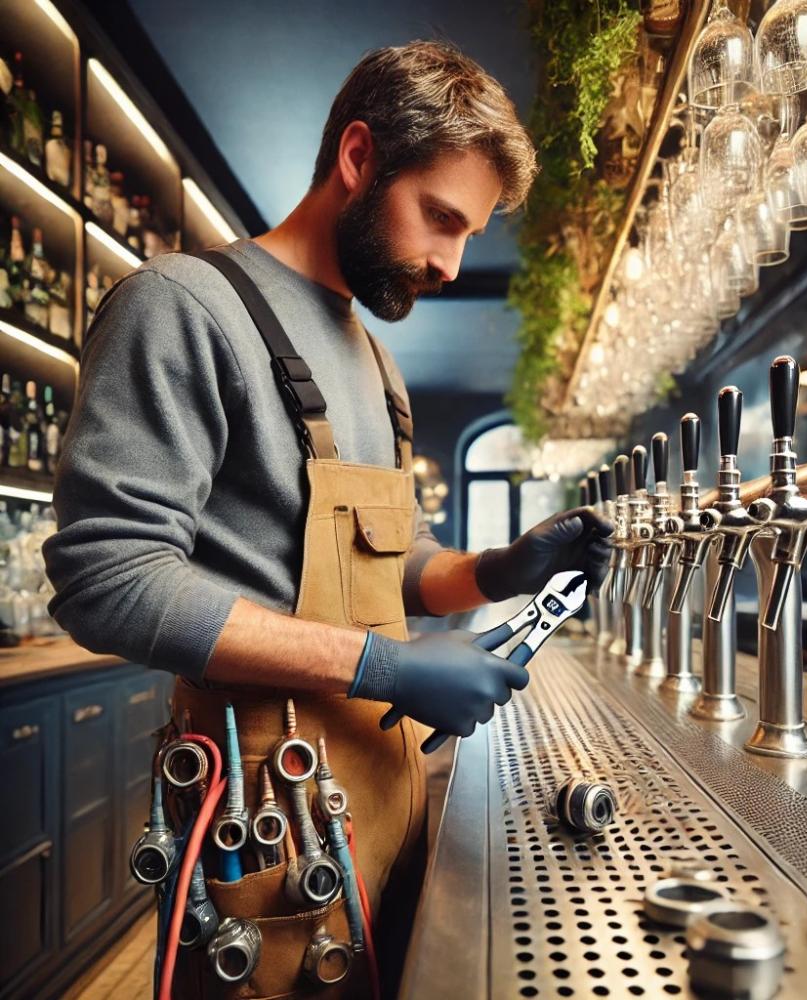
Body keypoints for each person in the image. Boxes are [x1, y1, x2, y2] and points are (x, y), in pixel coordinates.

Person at [43, 40, 612, 999]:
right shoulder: (183, 307)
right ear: (358, 157)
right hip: (268, 802)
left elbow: (396, 560)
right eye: (439, 218)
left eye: (467, 233)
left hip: (383, 786)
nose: (447, 261)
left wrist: (500, 571)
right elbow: (108, 580)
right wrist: (385, 665)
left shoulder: (373, 362)